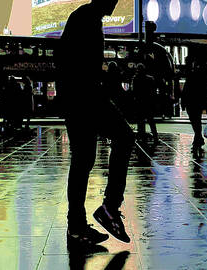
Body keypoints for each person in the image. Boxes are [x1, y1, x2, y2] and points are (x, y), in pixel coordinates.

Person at [57, 0, 135, 245]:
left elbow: (75, 61)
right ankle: (109, 207)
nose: (115, 1)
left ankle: (77, 226)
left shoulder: (86, 17)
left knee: (83, 160)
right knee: (124, 137)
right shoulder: (86, 18)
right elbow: (79, 65)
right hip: (85, 97)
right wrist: (107, 79)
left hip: (78, 98)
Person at [181, 56, 207, 154]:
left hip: (191, 102)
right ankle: (198, 138)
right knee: (196, 120)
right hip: (198, 102)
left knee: (194, 121)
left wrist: (183, 103)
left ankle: (198, 138)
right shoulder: (203, 76)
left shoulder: (191, 76)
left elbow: (185, 90)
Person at [132, 63, 158, 142]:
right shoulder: (150, 79)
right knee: (151, 121)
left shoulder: (135, 79)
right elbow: (153, 91)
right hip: (148, 102)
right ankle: (155, 136)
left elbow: (134, 92)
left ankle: (141, 136)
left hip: (140, 102)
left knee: (140, 122)